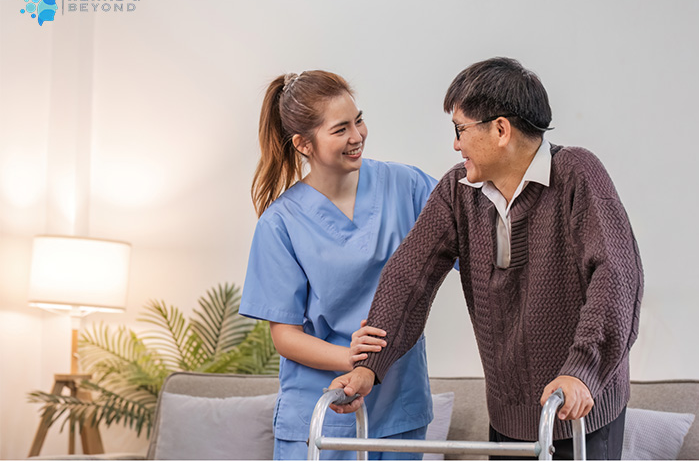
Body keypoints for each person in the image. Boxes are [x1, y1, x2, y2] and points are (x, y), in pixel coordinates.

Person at [328, 57, 644, 460]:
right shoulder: (458, 191)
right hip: (507, 415)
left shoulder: (576, 174)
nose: (455, 144)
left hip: (580, 411)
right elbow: (410, 276)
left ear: (500, 130)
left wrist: (581, 370)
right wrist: (369, 365)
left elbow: (617, 276)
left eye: (460, 129)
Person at [239, 70, 437, 460]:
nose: (357, 136)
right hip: (323, 413)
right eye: (340, 129)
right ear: (303, 144)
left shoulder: (407, 186)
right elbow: (286, 336)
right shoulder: (281, 224)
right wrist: (352, 357)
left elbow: (475, 239)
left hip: (399, 407)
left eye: (359, 120)